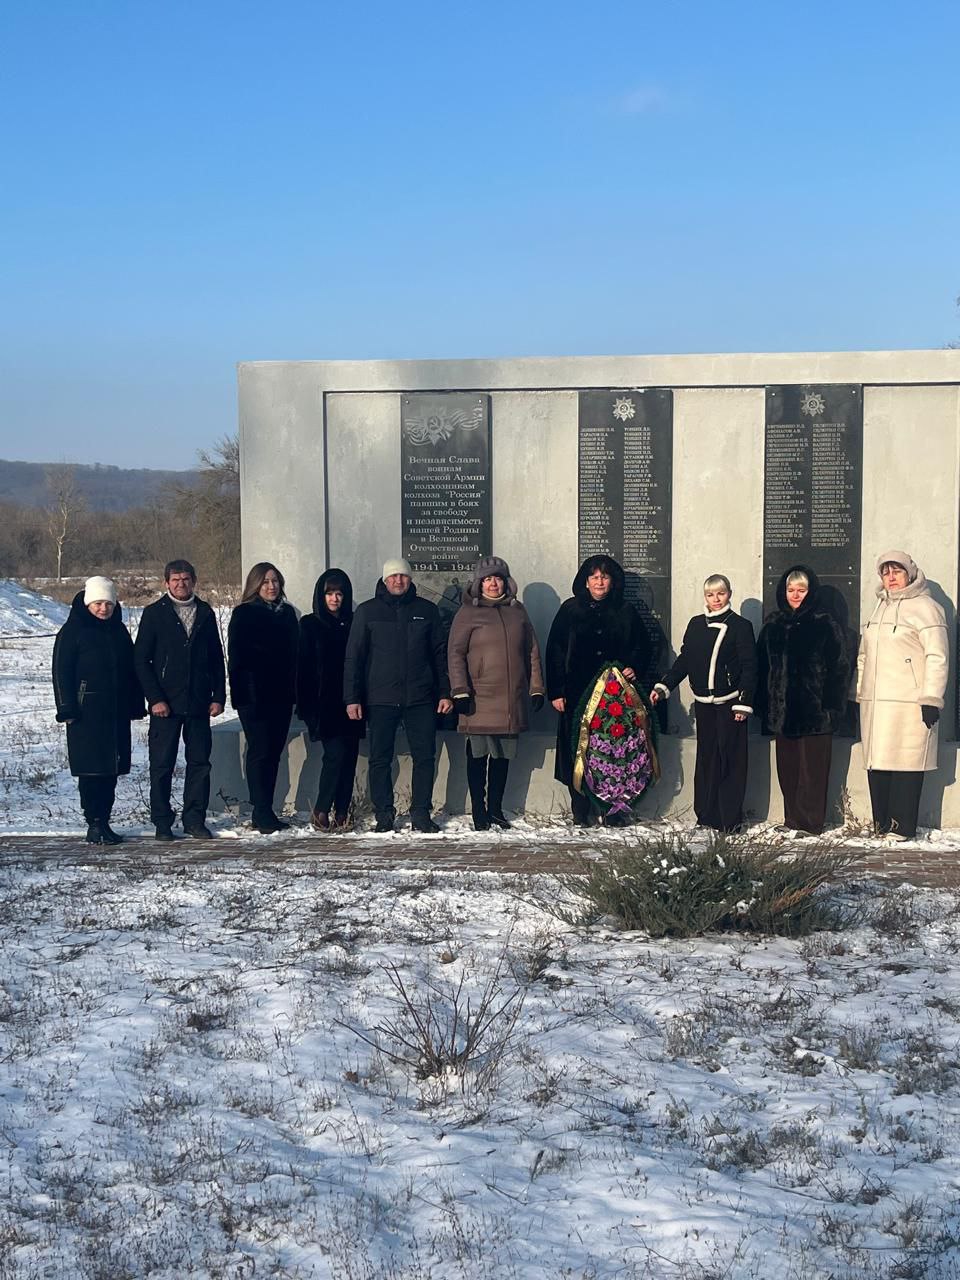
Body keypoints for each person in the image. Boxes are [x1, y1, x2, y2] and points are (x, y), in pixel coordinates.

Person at [344, 557, 453, 833]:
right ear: (384, 580)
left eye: (403, 576)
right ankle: (384, 813)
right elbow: (354, 657)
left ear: (410, 579)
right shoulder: (368, 612)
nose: (398, 581)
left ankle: (420, 813)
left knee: (425, 757)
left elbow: (439, 655)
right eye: (392, 576)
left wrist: (444, 692)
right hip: (381, 698)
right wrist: (352, 697)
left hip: (421, 697)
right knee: (380, 758)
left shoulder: (426, 611)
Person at [545, 555, 650, 826]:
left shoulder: (625, 610)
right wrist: (556, 690)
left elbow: (643, 645)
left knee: (612, 750)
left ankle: (612, 807)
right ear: (586, 581)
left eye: (604, 577)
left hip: (615, 697)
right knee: (578, 751)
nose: (599, 582)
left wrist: (634, 666)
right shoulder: (570, 610)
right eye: (594, 577)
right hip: (577, 692)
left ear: (613, 581)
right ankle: (581, 810)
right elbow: (555, 651)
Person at [650, 574, 756, 833]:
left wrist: (744, 702)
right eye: (710, 594)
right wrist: (665, 686)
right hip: (704, 704)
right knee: (707, 759)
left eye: (721, 593)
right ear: (705, 597)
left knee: (731, 760)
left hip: (730, 703)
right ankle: (706, 816)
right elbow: (685, 660)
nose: (716, 599)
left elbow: (749, 666)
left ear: (729, 593)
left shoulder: (740, 625)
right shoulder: (696, 624)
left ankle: (729, 820)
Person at [447, 556, 545, 830]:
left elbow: (532, 652)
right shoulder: (467, 613)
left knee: (502, 756)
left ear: (506, 581)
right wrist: (460, 690)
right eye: (488, 579)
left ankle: (496, 809)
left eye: (498, 578)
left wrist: (536, 687)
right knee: (478, 756)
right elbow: (455, 653)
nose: (493, 583)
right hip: (478, 697)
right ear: (479, 583)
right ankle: (479, 810)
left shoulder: (518, 611)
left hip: (510, 697)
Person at [857, 550, 948, 841]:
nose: (891, 577)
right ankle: (881, 824)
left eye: (897, 571)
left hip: (909, 702)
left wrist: (931, 698)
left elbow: (937, 656)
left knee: (906, 762)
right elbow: (863, 655)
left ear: (909, 573)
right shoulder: (879, 608)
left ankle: (901, 827)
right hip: (876, 702)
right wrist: (859, 692)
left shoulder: (927, 607)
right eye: (886, 572)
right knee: (879, 761)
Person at [134, 559, 226, 840]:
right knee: (162, 764)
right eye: (175, 579)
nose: (180, 583)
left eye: (186, 578)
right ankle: (162, 822)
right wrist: (155, 698)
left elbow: (215, 658)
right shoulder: (154, 614)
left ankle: (195, 819)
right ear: (166, 583)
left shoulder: (206, 612)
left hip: (198, 701)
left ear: (194, 581)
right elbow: (141, 660)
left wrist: (218, 696)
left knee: (200, 763)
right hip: (166, 706)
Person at [755, 565, 849, 836]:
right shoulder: (773, 625)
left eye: (801, 589)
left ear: (811, 592)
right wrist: (765, 706)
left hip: (815, 714)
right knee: (788, 770)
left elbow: (839, 669)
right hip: (783, 714)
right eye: (790, 589)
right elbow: (763, 668)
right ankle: (792, 820)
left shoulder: (824, 623)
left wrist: (832, 709)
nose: (795, 595)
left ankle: (810, 823)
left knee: (813, 772)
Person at [52, 576, 146, 843]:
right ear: (87, 603)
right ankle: (93, 822)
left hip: (114, 712)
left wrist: (135, 704)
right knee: (91, 771)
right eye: (98, 604)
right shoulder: (72, 632)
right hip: (85, 713)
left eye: (108, 603)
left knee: (111, 769)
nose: (103, 609)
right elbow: (61, 671)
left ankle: (104, 820)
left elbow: (131, 671)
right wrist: (67, 707)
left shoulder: (118, 632)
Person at [228, 562, 300, 834]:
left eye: (275, 581)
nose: (271, 586)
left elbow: (295, 657)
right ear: (255, 585)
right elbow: (236, 659)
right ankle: (260, 810)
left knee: (273, 754)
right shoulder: (244, 613)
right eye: (266, 581)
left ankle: (267, 808)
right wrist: (244, 695)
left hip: (281, 697)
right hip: (254, 697)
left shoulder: (288, 615)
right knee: (259, 753)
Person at [296, 567, 363, 830]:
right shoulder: (310, 625)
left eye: (339, 594)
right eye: (329, 594)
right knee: (334, 756)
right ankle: (322, 808)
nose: (335, 599)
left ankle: (343, 810)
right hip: (324, 706)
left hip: (352, 702)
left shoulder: (354, 624)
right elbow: (303, 669)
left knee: (349, 758)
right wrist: (307, 709)